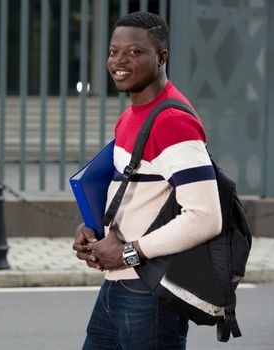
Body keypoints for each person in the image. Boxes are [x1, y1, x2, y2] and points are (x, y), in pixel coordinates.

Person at [72, 12, 222, 349]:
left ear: (162, 57)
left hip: (148, 289)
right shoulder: (131, 116)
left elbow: (206, 218)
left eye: (135, 52)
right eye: (114, 51)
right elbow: (137, 192)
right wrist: (92, 227)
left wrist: (127, 253)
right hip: (119, 282)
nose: (120, 61)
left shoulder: (172, 122)